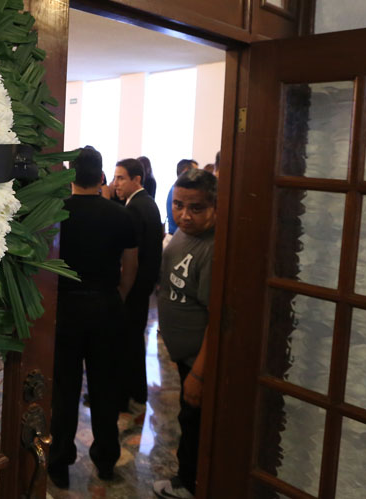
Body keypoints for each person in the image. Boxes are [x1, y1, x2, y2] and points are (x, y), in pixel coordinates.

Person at [49, 147, 138, 488]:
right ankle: (104, 461)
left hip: (67, 310)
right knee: (105, 387)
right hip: (106, 307)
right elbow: (130, 268)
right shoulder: (120, 215)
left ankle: (58, 463)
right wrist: (118, 296)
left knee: (64, 390)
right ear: (101, 177)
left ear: (71, 175)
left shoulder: (56, 213)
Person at [153, 169, 218, 499]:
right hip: (182, 355)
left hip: (197, 359)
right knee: (187, 418)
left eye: (195, 208)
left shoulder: (212, 247)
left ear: (214, 208)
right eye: (178, 205)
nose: (184, 215)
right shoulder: (182, 233)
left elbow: (216, 319)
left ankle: (189, 485)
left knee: (195, 423)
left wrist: (200, 374)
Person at [112, 158, 164, 412]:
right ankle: (138, 393)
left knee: (126, 343)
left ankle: (122, 397)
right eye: (115, 177)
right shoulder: (147, 203)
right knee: (134, 342)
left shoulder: (135, 208)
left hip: (134, 287)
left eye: (121, 178)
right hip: (144, 287)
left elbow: (131, 254)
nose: (115, 184)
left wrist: (124, 287)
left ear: (137, 180)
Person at [165, 159, 198, 235]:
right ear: (185, 172)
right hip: (177, 234)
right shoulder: (178, 192)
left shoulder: (176, 189)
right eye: (195, 172)